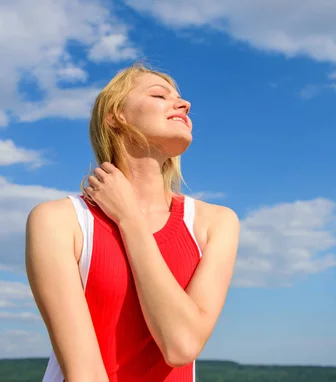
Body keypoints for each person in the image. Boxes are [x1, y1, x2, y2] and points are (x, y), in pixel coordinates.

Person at [25, 63, 240, 382]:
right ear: (115, 115)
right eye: (159, 94)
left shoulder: (216, 223)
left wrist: (129, 220)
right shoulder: (58, 221)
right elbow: (84, 374)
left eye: (181, 98)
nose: (184, 104)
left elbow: (181, 345)